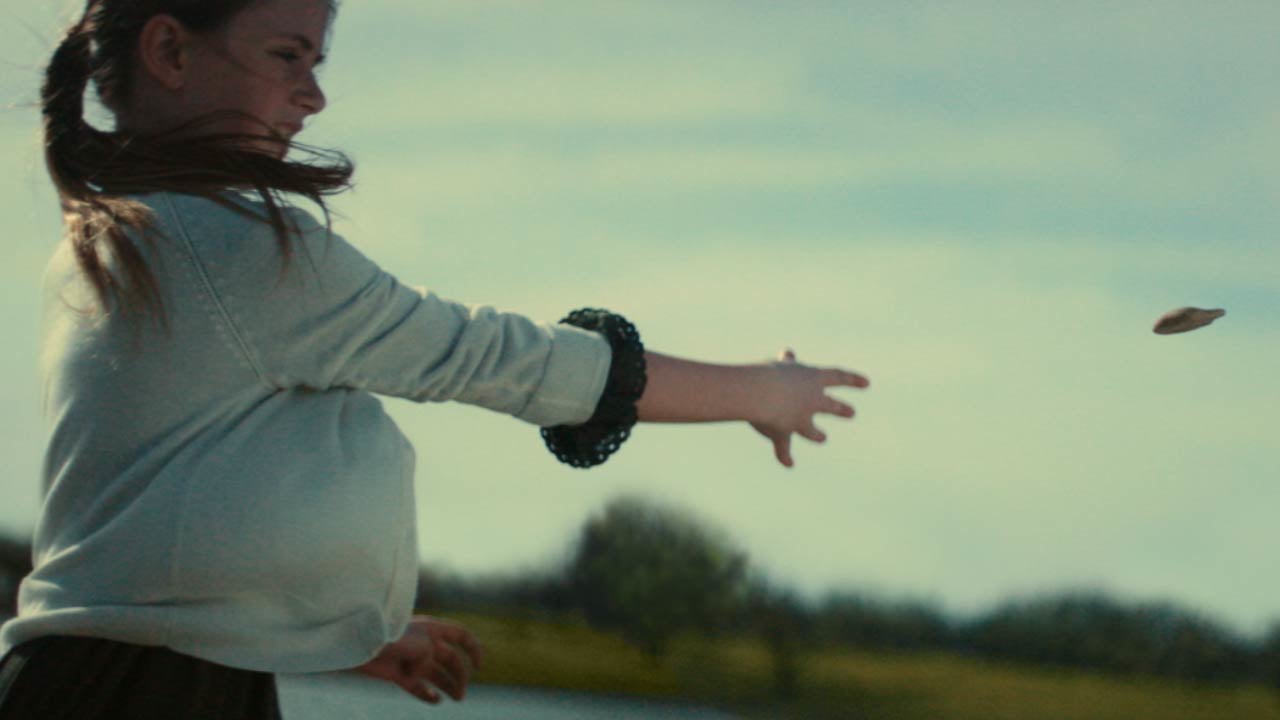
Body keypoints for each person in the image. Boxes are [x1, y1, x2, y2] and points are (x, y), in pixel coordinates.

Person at [0, 0, 870, 717]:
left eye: (317, 61)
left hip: (107, 682)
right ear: (169, 51)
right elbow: (503, 360)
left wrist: (343, 639)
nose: (314, 96)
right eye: (288, 55)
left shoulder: (111, 242)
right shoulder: (238, 250)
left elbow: (157, 536)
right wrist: (762, 391)